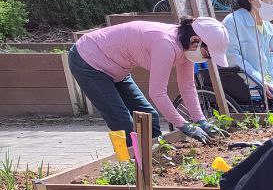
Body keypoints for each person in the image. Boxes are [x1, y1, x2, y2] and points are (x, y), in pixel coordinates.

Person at [68, 16, 231, 144]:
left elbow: (187, 86)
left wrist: (201, 121)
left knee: (150, 116)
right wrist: (184, 125)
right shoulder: (166, 44)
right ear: (196, 40)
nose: (206, 59)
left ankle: (154, 157)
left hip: (117, 67)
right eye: (207, 54)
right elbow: (157, 93)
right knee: (123, 122)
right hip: (88, 60)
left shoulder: (187, 49)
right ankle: (131, 168)